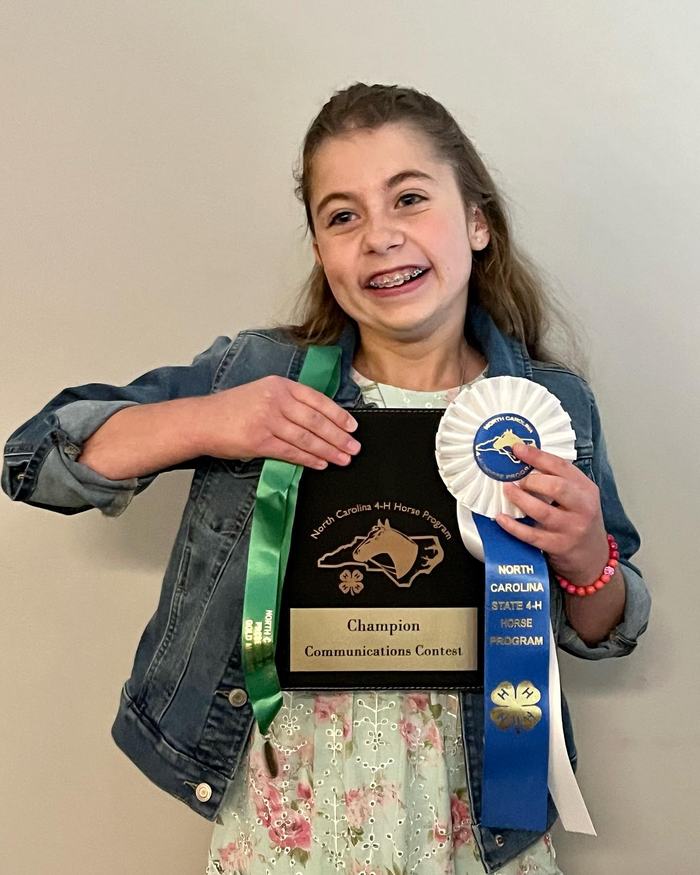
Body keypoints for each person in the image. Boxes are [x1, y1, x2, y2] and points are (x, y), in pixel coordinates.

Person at [2, 83, 650, 874]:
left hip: (479, 815)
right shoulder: (256, 372)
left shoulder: (552, 407)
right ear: (320, 249)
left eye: (408, 198)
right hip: (291, 812)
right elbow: (31, 460)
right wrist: (209, 420)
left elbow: (610, 627)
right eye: (342, 215)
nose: (379, 236)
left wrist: (587, 562)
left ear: (478, 221)